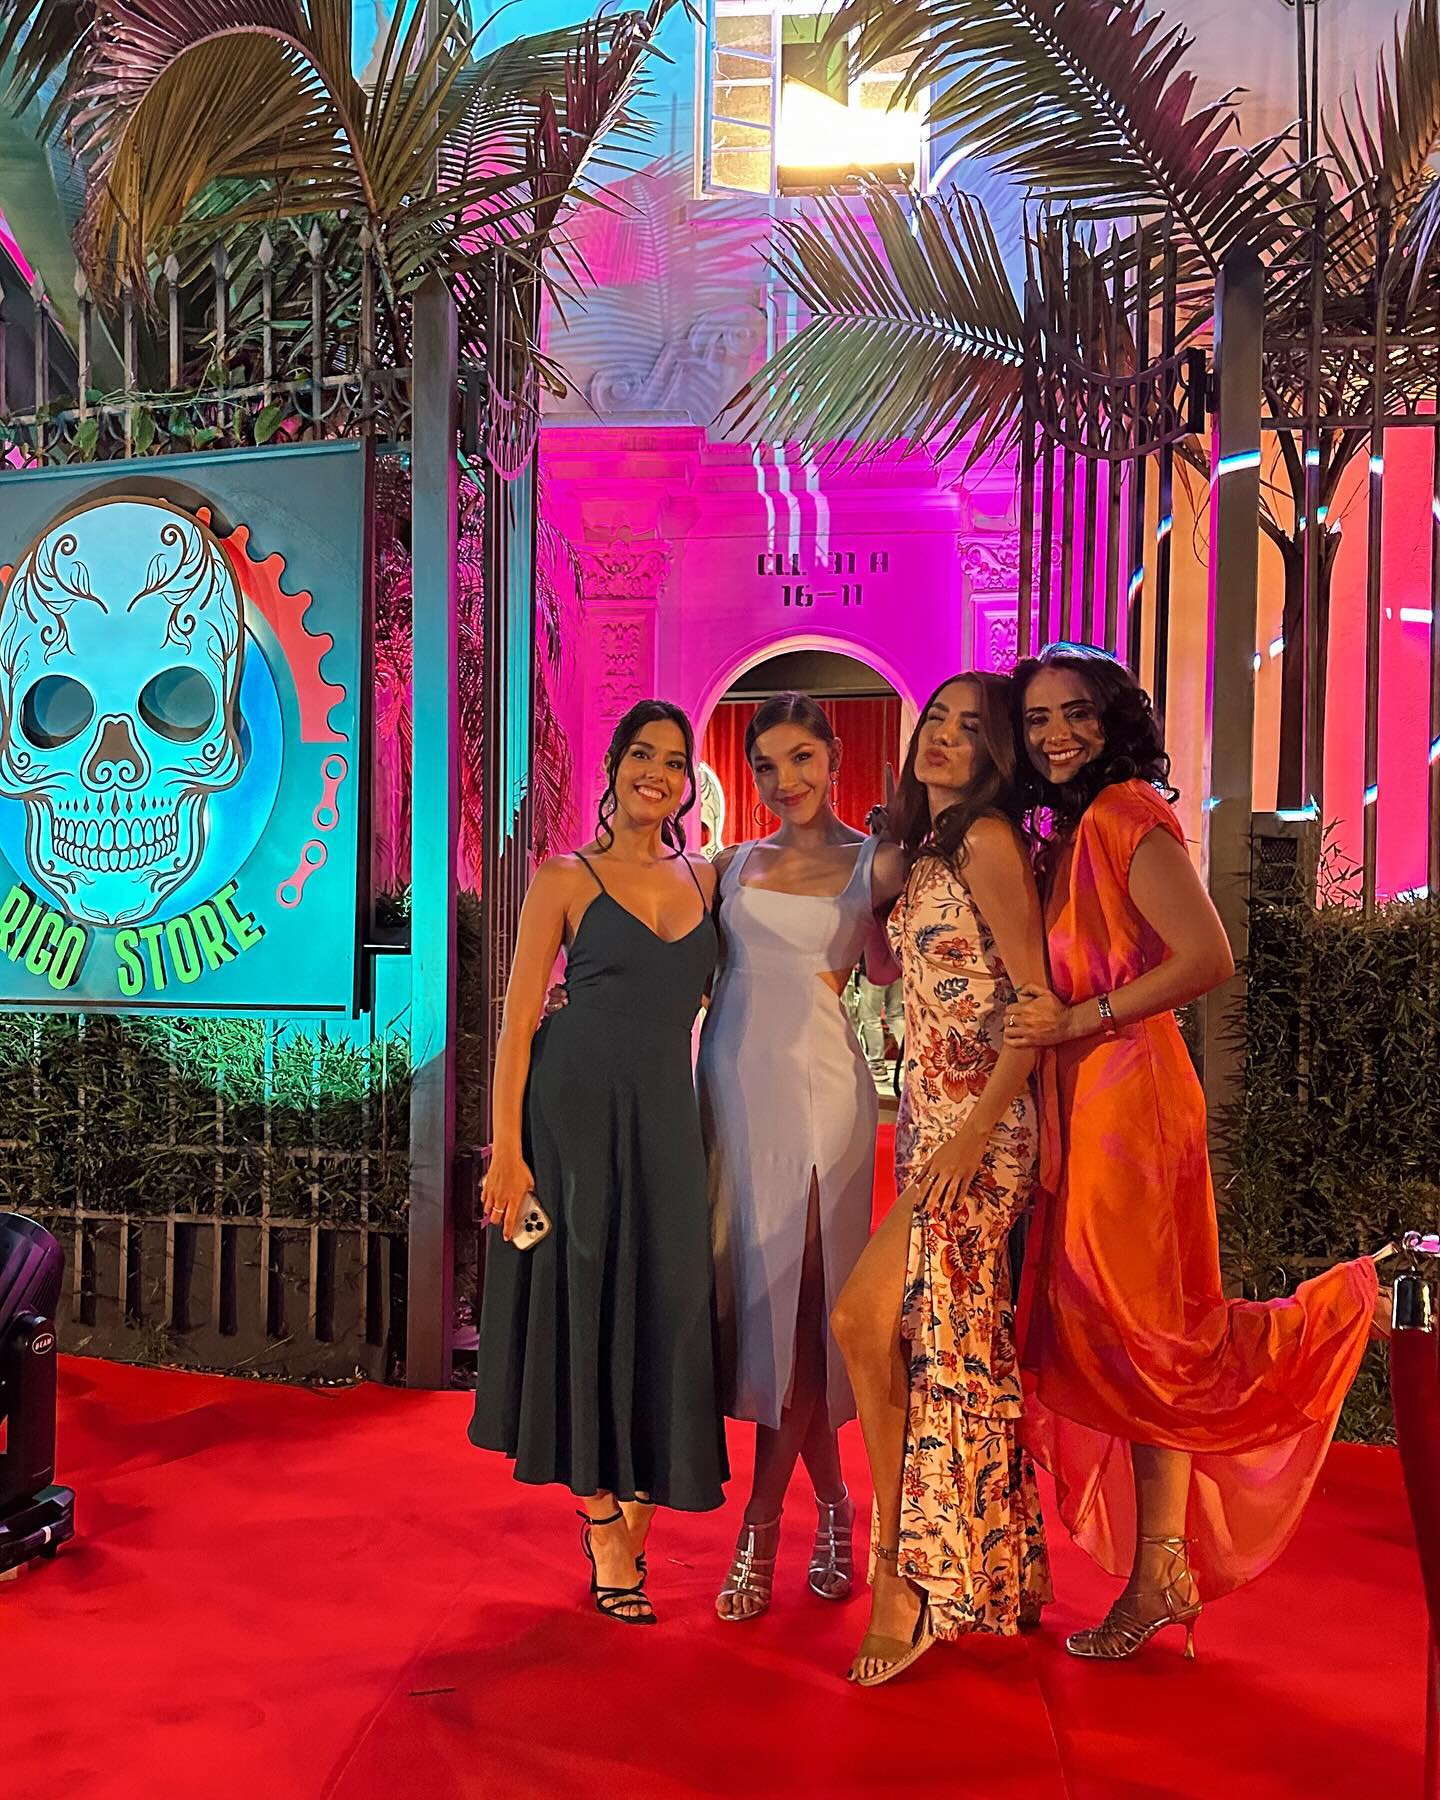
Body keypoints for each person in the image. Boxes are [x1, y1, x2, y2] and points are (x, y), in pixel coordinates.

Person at [1004, 643, 1379, 1660]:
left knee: (1149, 1336)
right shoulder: (1075, 826)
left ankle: (1348, 1311)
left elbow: (1208, 956)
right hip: (1091, 1093)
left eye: (1075, 712)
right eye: (1037, 718)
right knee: (1126, 1337)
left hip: (1128, 1098)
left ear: (1115, 718)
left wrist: (1081, 1018)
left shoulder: (1124, 815)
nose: (1056, 734)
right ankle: (1160, 1569)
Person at [470, 700, 728, 1627]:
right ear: (614, 767)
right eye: (642, 755)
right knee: (581, 1293)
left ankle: (644, 1489)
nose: (657, 772)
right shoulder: (563, 878)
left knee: (671, 1297)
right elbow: (515, 1026)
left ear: (690, 782)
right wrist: (507, 1152)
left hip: (666, 1116)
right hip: (570, 1112)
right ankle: (603, 1518)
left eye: (675, 760)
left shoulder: (711, 878)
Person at [830, 673, 1054, 1687]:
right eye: (936, 719)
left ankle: (905, 1579)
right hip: (929, 1126)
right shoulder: (931, 847)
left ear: (995, 752)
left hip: (980, 1133)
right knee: (941, 1346)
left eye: (971, 728)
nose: (945, 737)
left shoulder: (989, 841)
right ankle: (990, 1568)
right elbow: (888, 973)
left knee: (864, 1322)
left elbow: (1034, 1006)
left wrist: (972, 1136)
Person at [697, 692, 905, 1622]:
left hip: (826, 1095)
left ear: (834, 758)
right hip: (732, 1099)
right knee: (767, 1316)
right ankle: (833, 1505)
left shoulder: (878, 861)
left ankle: (759, 1526)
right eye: (767, 766)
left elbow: (901, 965)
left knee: (811, 1308)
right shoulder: (729, 865)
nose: (786, 781)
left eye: (803, 759)